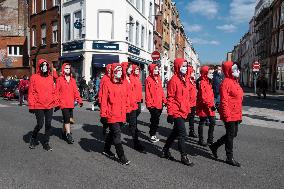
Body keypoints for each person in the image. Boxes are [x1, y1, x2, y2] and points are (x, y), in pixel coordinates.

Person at [209, 61, 243, 167]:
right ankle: (229, 157)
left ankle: (214, 146)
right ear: (229, 70)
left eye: (237, 69)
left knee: (233, 134)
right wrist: (227, 116)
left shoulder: (235, 81)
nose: (237, 71)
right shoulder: (226, 82)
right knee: (230, 134)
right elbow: (224, 101)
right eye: (234, 69)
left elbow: (238, 99)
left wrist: (239, 115)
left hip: (236, 113)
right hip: (229, 114)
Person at [162, 58, 194, 166]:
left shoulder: (185, 79)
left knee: (175, 132)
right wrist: (170, 113)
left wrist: (189, 110)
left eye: (186, 66)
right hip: (176, 111)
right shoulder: (173, 80)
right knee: (182, 134)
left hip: (183, 110)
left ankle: (165, 150)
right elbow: (170, 98)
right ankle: (184, 156)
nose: (185, 68)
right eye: (183, 66)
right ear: (177, 67)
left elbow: (187, 97)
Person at [100, 63, 130, 165]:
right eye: (118, 70)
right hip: (111, 114)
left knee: (113, 133)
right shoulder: (107, 83)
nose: (120, 72)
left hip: (121, 114)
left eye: (121, 70)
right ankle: (121, 156)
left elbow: (126, 99)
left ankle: (106, 149)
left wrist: (128, 111)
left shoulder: (123, 83)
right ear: (113, 72)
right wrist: (103, 115)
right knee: (117, 134)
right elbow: (104, 100)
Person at [28, 59, 59, 151]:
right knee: (40, 124)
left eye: (46, 65)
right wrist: (31, 105)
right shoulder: (34, 77)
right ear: (39, 67)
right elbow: (31, 92)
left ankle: (46, 142)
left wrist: (56, 103)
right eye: (43, 65)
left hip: (49, 105)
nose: (45, 66)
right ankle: (33, 137)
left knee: (48, 124)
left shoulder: (50, 78)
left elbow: (53, 92)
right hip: (38, 105)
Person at [55, 63, 83, 144]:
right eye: (66, 68)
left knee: (68, 120)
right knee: (67, 119)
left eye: (69, 68)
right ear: (63, 69)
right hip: (63, 103)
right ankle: (68, 134)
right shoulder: (59, 80)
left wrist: (79, 100)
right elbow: (56, 92)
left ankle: (63, 132)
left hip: (71, 103)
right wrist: (57, 103)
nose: (67, 69)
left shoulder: (73, 80)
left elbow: (76, 92)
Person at [121, 62, 145, 153]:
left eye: (131, 68)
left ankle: (136, 144)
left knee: (134, 126)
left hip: (133, 106)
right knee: (118, 126)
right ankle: (109, 141)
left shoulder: (131, 78)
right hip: (125, 107)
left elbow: (133, 92)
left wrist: (136, 100)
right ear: (125, 68)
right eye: (130, 68)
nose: (131, 69)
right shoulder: (122, 80)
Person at [145, 64, 166, 143]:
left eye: (157, 69)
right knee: (155, 120)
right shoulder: (148, 79)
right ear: (151, 70)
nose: (157, 70)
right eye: (155, 69)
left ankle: (152, 133)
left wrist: (164, 100)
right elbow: (147, 93)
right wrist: (149, 104)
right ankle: (152, 135)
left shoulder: (159, 79)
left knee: (156, 120)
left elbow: (161, 91)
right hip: (153, 105)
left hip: (159, 104)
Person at [196, 66, 216, 147]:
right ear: (205, 73)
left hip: (210, 105)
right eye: (210, 73)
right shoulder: (203, 82)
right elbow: (204, 97)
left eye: (212, 73)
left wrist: (213, 103)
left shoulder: (209, 81)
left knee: (212, 122)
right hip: (204, 106)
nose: (212, 75)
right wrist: (211, 105)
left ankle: (210, 139)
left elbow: (210, 94)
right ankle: (201, 140)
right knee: (202, 122)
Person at [98, 64, 112, 135]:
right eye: (108, 70)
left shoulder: (113, 77)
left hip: (110, 100)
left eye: (110, 69)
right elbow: (100, 90)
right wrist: (100, 99)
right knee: (105, 116)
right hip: (103, 99)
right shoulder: (104, 78)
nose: (109, 71)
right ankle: (105, 126)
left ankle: (109, 128)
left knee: (110, 115)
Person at [187, 66, 198, 138]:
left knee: (192, 118)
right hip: (188, 104)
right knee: (184, 118)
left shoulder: (193, 81)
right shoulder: (187, 82)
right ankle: (178, 131)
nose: (194, 73)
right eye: (192, 72)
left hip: (193, 103)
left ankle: (191, 131)